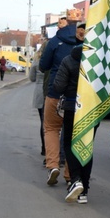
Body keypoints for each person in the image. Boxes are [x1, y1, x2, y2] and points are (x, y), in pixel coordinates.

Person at [40, 22, 83, 186]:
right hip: (79, 96)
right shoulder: (88, 40)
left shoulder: (55, 41)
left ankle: (52, 165)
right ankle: (70, 173)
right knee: (73, 134)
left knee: (51, 128)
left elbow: (43, 65)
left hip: (55, 92)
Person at [53, 44, 92, 204]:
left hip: (71, 107)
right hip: (91, 108)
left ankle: (75, 179)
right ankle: (85, 190)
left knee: (69, 143)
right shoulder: (95, 61)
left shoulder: (68, 60)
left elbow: (58, 86)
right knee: (87, 145)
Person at [30, 47, 46, 157]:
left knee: (43, 122)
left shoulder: (36, 62)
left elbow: (31, 78)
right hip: (51, 90)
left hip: (40, 92)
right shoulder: (53, 60)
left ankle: (44, 147)